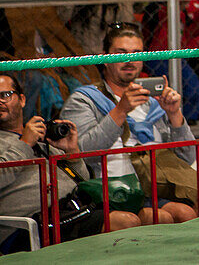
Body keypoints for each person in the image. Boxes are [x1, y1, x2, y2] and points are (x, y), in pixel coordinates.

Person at [60, 24, 199, 224]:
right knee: (168, 215)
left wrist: (174, 115)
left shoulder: (153, 103)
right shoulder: (83, 100)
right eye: (120, 53)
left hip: (156, 188)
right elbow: (83, 152)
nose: (129, 60)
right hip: (108, 192)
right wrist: (120, 111)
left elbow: (187, 156)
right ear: (104, 58)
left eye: (136, 53)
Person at [0, 73, 140, 248]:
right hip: (29, 225)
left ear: (21, 99)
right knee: (126, 222)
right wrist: (25, 143)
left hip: (71, 210)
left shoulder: (41, 139)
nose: (0, 101)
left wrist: (72, 153)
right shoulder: (26, 140)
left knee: (154, 217)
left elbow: (82, 181)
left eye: (4, 95)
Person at [0, 0, 96, 120]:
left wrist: (57, 54)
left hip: (52, 60)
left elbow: (57, 32)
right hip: (22, 63)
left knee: (78, 82)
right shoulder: (3, 3)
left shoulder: (43, 0)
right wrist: (31, 59)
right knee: (47, 87)